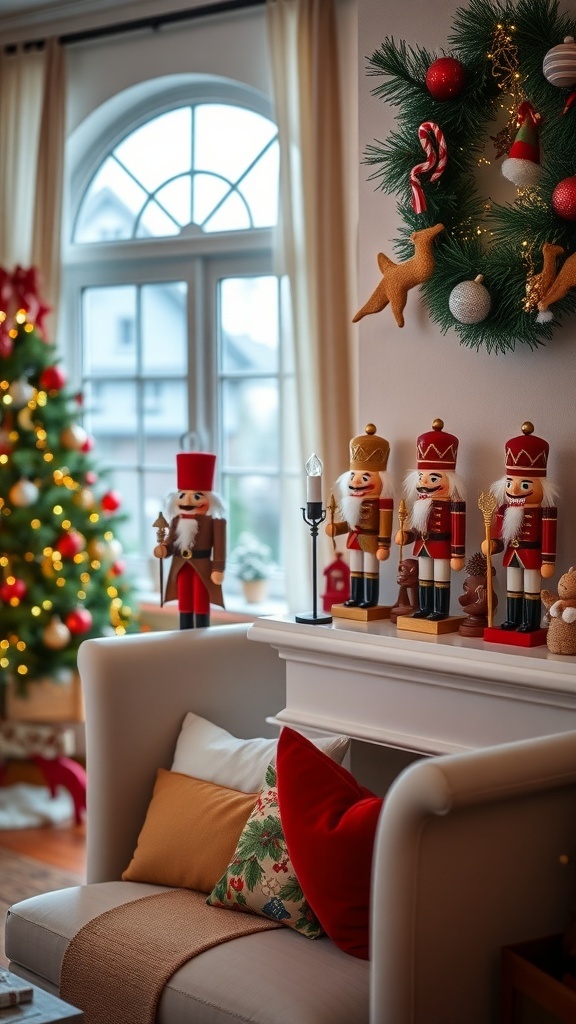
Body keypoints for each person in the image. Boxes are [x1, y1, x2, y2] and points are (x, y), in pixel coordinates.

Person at [481, 421, 557, 632]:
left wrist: (548, 560)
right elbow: (498, 534)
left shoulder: (545, 512)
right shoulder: (504, 509)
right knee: (512, 588)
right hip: (512, 553)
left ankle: (529, 622)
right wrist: (493, 544)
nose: (514, 489)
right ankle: (512, 619)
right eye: (509, 483)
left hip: (532, 555)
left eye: (524, 485)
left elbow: (549, 536)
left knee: (531, 589)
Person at [395, 418, 466, 620]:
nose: (425, 482)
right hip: (422, 545)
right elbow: (416, 527)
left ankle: (440, 610)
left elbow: (458, 529)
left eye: (433, 478)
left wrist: (457, 554)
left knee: (441, 579)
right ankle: (424, 607)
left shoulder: (453, 504)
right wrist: (406, 535)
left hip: (442, 546)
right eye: (421, 477)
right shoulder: (419, 503)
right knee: (425, 578)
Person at [154, 451, 226, 629]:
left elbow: (220, 548)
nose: (187, 500)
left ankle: (201, 631)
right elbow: (170, 542)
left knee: (201, 598)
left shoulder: (215, 523)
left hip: (202, 566)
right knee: (184, 599)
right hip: (180, 566)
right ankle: (184, 630)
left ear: (209, 499)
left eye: (196, 495)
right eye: (182, 494)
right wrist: (164, 549)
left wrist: (218, 568)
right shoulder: (177, 520)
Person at [325, 424, 393, 609]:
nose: (356, 481)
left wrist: (384, 545)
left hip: (371, 540)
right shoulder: (350, 501)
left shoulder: (383, 502)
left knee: (370, 569)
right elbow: (349, 523)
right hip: (354, 539)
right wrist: (336, 528)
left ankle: (369, 599)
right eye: (353, 476)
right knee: (355, 569)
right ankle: (355, 596)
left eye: (364, 478)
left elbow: (385, 524)